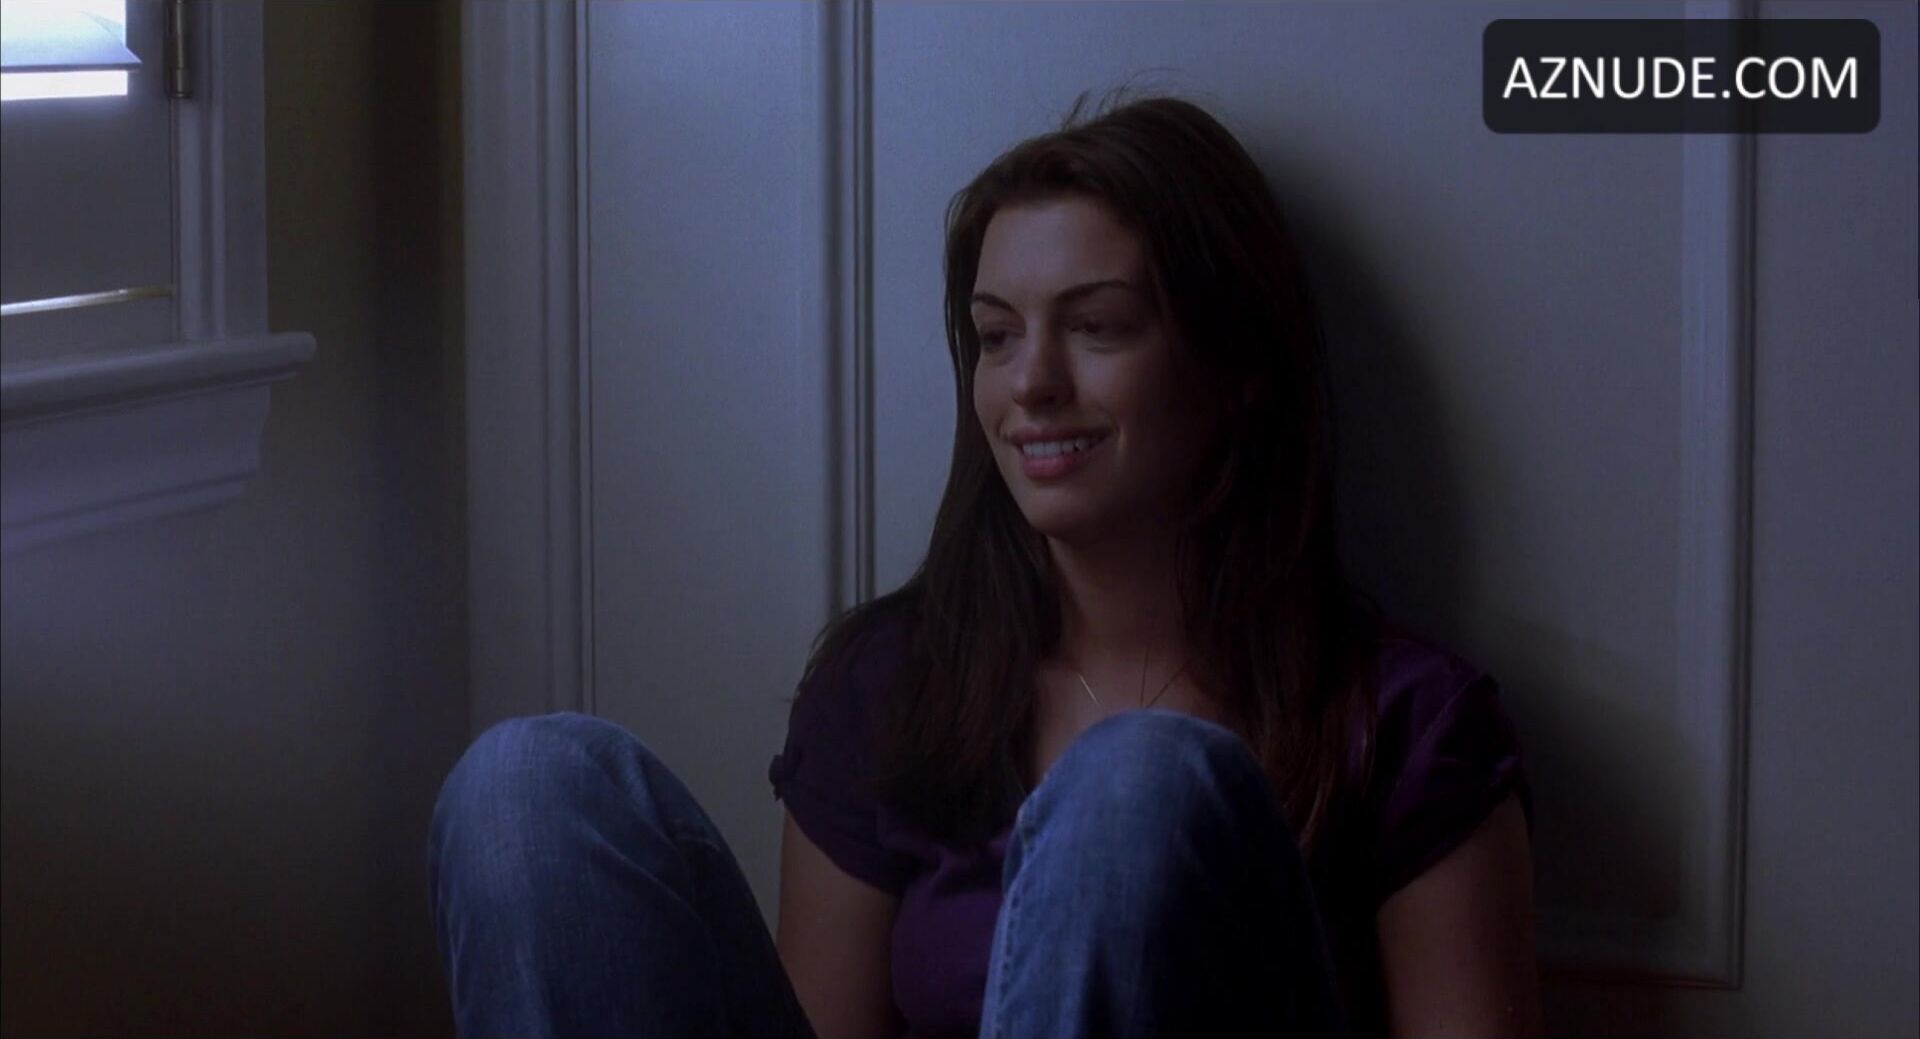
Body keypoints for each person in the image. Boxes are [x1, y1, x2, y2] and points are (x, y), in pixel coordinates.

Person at [429, 88, 1541, 1039]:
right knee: (526, 788)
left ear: (1237, 368)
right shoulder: (892, 685)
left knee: (1136, 784)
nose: (1031, 383)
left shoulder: (1406, 720)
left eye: (1097, 326)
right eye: (998, 335)